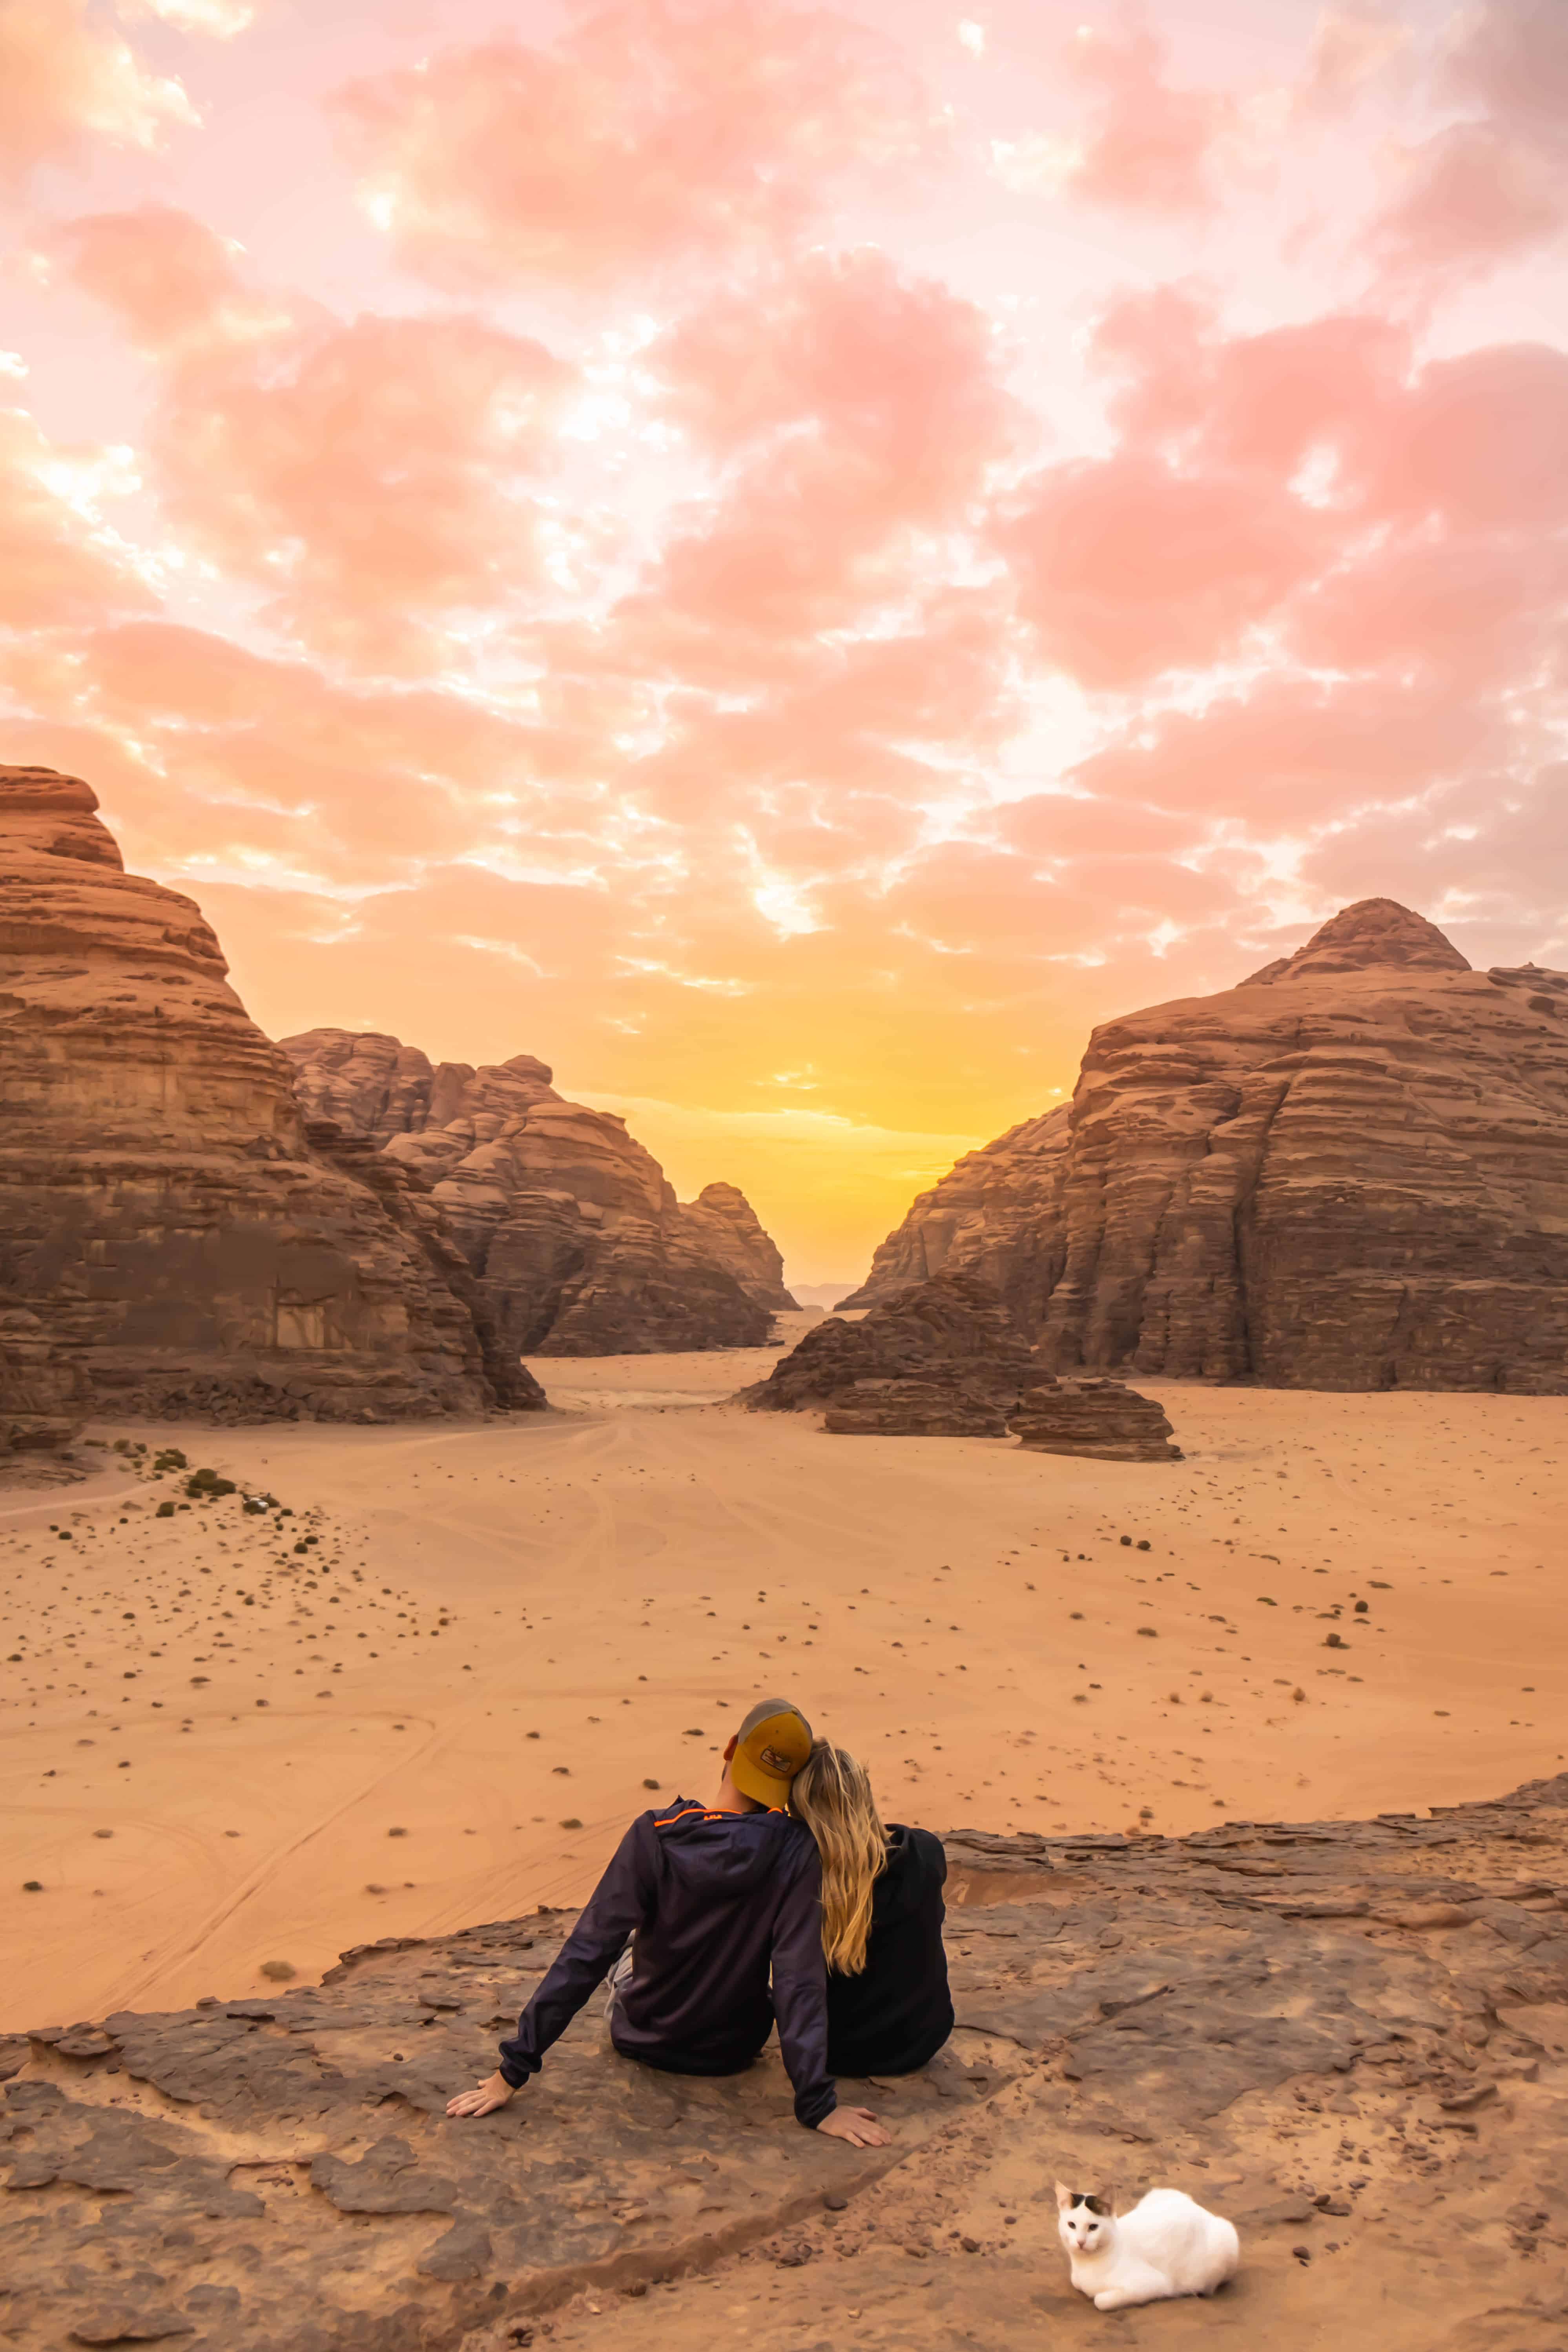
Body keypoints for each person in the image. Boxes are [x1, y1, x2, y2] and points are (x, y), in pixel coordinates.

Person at [445, 1697, 889, 2145]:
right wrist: (818, 2106)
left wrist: (511, 2072)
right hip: (732, 2049)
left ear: (732, 1747)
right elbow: (798, 1980)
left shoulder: (657, 1833)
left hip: (642, 2037)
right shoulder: (797, 1850)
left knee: (619, 1952)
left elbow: (585, 1955)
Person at [789, 1741, 953, 2079]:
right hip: (922, 2041)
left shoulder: (801, 1880)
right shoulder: (925, 1851)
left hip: (838, 2053)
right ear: (865, 1792)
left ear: (800, 1813)